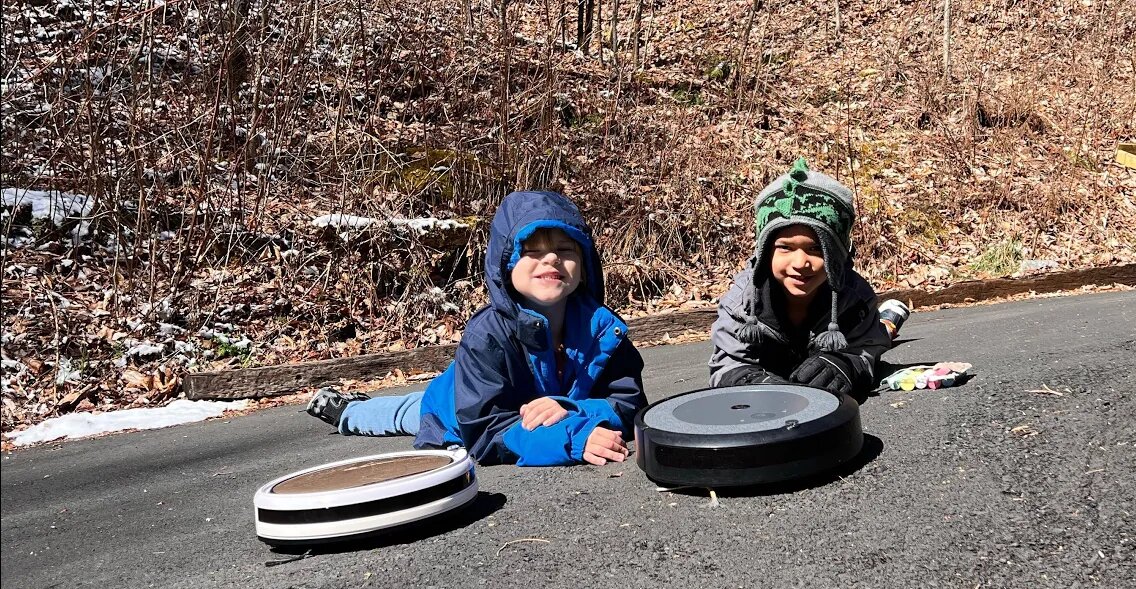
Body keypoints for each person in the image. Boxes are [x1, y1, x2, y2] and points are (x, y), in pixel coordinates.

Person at [306, 191, 646, 467]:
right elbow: (485, 430)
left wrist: (574, 410)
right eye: (531, 251)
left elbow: (630, 402)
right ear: (505, 264)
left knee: (414, 401)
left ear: (585, 266)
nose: (551, 260)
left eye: (565, 249)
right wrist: (571, 435)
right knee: (407, 412)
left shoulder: (603, 330)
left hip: (497, 396)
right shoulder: (486, 335)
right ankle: (346, 411)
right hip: (457, 408)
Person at [708, 158, 901, 397]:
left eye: (816, 249)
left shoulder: (856, 298)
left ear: (837, 257)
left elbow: (867, 348)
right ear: (765, 253)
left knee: (882, 333)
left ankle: (890, 320)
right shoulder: (741, 302)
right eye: (785, 248)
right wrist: (750, 381)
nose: (800, 264)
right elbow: (726, 364)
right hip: (773, 371)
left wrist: (845, 365)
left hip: (858, 328)